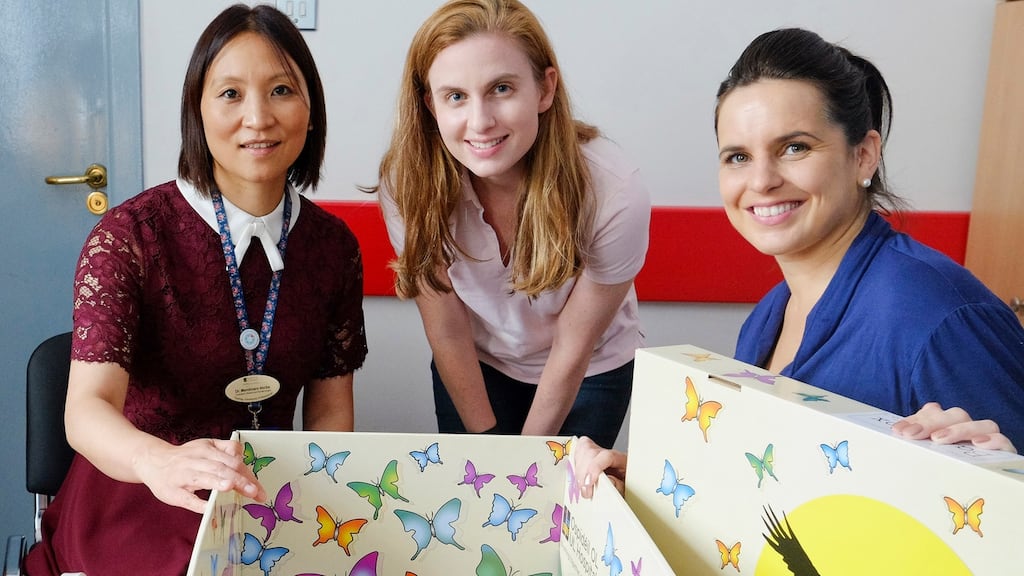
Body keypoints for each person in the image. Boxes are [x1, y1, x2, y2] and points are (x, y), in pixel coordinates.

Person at [575, 27, 1024, 497]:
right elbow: (771, 484)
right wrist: (644, 481)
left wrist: (1000, 471)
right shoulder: (768, 316)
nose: (762, 180)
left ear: (864, 156)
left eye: (795, 147)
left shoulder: (937, 316)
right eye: (738, 156)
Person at [24, 5, 368, 574]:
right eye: (230, 94)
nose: (258, 118)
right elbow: (86, 411)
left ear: (312, 110)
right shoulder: (129, 236)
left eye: (281, 89)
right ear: (197, 111)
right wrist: (159, 463)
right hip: (139, 491)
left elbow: (330, 415)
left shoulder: (333, 246)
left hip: (265, 494)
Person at [368, 0, 650, 448]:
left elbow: (572, 348)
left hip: (591, 370)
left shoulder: (614, 190)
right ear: (431, 106)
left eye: (501, 88)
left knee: (554, 510)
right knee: (477, 497)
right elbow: (446, 327)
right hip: (475, 364)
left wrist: (521, 461)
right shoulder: (407, 183)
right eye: (455, 96)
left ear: (544, 89)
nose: (480, 122)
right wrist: (491, 447)